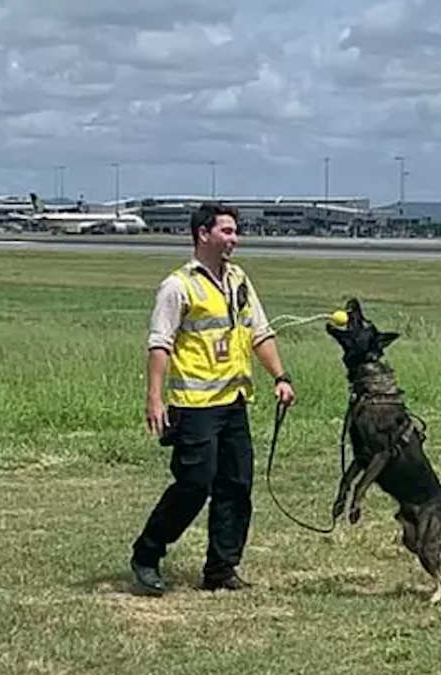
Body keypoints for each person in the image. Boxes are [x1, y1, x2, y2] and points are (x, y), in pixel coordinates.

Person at [130, 201, 295, 595]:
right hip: (195, 406)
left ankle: (221, 569)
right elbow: (159, 345)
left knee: (236, 485)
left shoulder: (239, 280)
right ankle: (147, 553)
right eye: (226, 231)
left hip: (234, 399)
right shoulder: (178, 286)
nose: (234, 239)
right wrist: (154, 398)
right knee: (194, 484)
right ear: (203, 234)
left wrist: (280, 376)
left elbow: (260, 332)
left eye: (235, 231)